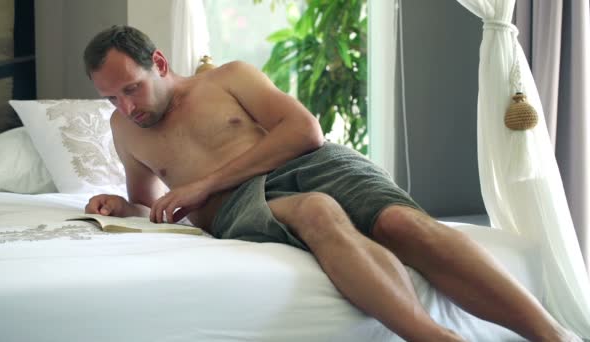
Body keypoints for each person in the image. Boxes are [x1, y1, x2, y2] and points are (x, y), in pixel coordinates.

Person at [83, 25, 580, 342]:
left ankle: (552, 336)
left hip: (311, 163)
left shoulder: (227, 79)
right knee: (316, 210)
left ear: (161, 65)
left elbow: (305, 131)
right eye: (111, 98)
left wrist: (200, 183)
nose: (126, 107)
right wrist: (128, 210)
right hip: (238, 203)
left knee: (406, 226)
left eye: (133, 88)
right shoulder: (125, 131)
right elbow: (155, 206)